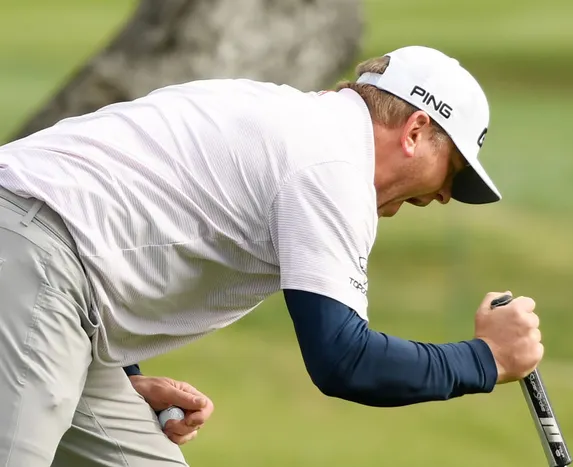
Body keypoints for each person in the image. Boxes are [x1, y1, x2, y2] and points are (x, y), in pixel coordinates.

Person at [0, 45, 543, 466]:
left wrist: (126, 371)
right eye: (452, 171)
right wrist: (488, 359)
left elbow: (118, 215)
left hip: (50, 275)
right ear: (416, 131)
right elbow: (344, 361)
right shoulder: (332, 164)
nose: (444, 195)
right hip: (31, 254)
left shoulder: (301, 124)